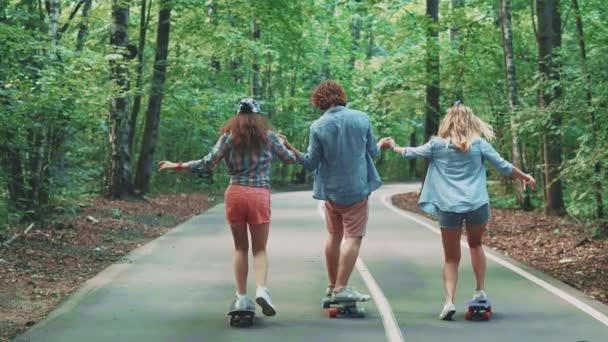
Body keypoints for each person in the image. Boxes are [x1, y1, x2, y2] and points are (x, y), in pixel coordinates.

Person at [386, 102, 536, 320]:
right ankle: (480, 290)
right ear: (471, 121)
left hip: (449, 208)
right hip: (477, 205)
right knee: (476, 245)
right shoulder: (479, 145)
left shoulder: (437, 145)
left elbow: (411, 153)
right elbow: (503, 166)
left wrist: (393, 146)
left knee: (451, 258)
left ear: (447, 122)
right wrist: (524, 176)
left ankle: (448, 302)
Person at [159, 98, 296, 317]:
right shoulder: (270, 138)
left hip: (236, 194)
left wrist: (178, 165)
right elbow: (290, 159)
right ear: (259, 118)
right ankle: (261, 289)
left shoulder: (229, 137)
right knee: (259, 250)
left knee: (240, 248)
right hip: (259, 195)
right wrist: (286, 144)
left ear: (237, 117)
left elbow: (207, 162)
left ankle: (241, 297)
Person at [282, 80, 393, 301]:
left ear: (319, 100)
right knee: (353, 237)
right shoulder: (362, 118)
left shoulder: (317, 126)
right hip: (357, 190)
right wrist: (381, 144)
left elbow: (310, 162)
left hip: (331, 192)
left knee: (334, 236)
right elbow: (373, 152)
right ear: (341, 95)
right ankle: (342, 289)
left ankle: (333, 286)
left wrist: (289, 147)